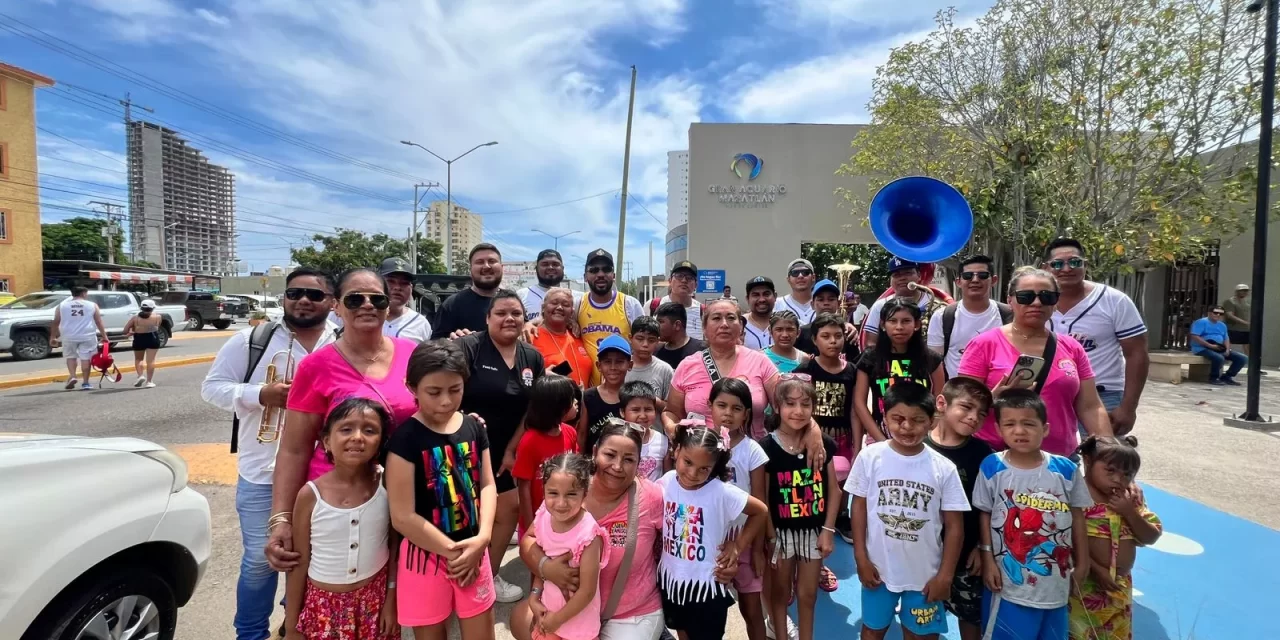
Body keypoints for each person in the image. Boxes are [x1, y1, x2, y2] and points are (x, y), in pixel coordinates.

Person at [202, 267, 337, 640]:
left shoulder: (339, 343)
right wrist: (260, 394)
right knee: (262, 561)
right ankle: (250, 634)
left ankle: (293, 622)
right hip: (264, 471)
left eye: (314, 294)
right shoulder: (252, 340)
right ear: (284, 298)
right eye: (295, 293)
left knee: (311, 558)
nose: (303, 300)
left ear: (331, 302)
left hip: (325, 473)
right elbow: (212, 388)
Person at [267, 268, 419, 570]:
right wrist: (282, 518)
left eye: (377, 299)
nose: (367, 305)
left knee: (397, 591)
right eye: (354, 299)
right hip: (339, 502)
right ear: (336, 306)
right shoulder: (315, 366)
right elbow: (294, 449)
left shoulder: (413, 354)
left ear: (388, 307)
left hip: (405, 496)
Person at [512, 420, 667, 640]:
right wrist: (546, 568)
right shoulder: (569, 491)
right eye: (610, 455)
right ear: (595, 452)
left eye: (629, 459)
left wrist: (731, 547)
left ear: (639, 463)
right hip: (569, 610)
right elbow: (530, 540)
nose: (617, 466)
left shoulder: (652, 497)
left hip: (629, 615)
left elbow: (686, 524)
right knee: (521, 619)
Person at [385, 340, 498, 639]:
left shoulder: (474, 428)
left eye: (455, 390)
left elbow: (487, 484)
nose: (446, 401)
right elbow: (402, 516)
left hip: (474, 548)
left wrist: (483, 538)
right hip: (425, 557)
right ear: (412, 387)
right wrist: (455, 553)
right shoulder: (404, 441)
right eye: (433, 393)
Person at [848, 382, 969, 640]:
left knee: (921, 635)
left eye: (916, 420)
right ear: (885, 417)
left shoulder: (943, 468)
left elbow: (955, 526)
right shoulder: (870, 457)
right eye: (898, 419)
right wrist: (861, 557)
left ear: (932, 422)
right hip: (878, 570)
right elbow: (858, 507)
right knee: (872, 628)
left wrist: (945, 576)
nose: (906, 427)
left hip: (925, 576)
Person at [973, 389, 1092, 640]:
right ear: (998, 429)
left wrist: (1083, 563)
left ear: (1045, 428)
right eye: (1010, 424)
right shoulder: (992, 466)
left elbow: (1077, 517)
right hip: (1007, 586)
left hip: (1056, 586)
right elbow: (984, 513)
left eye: (1028, 424)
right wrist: (988, 559)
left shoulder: (1066, 470)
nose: (1019, 431)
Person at [956, 267, 1113, 457]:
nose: (1037, 303)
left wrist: (1109, 451)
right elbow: (962, 405)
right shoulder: (984, 344)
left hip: (1059, 461)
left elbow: (1090, 406)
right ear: (1010, 300)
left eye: (1047, 296)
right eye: (1026, 296)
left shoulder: (1072, 347)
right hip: (995, 459)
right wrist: (992, 399)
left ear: (1055, 302)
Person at [457, 288, 546, 603]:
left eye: (516, 313)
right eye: (501, 313)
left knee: (508, 509)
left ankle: (488, 575)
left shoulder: (531, 356)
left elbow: (531, 409)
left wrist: (512, 449)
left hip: (507, 450)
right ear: (487, 318)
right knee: (466, 517)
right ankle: (457, 579)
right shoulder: (467, 348)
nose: (509, 318)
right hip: (464, 450)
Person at [283, 398, 397, 640]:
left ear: (379, 444)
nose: (357, 436)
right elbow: (299, 563)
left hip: (374, 605)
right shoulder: (310, 495)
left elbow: (394, 546)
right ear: (326, 441)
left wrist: (391, 600)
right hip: (323, 608)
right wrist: (292, 625)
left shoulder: (387, 484)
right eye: (346, 429)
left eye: (369, 430)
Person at [658, 425, 769, 640]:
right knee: (683, 632)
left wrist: (737, 546)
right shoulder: (667, 481)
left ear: (714, 467)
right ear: (677, 451)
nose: (692, 473)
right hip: (673, 581)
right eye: (688, 462)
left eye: (703, 469)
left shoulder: (721, 492)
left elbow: (761, 511)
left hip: (706, 585)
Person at [1043, 238, 1149, 435]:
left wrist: (1129, 407)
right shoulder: (1036, 301)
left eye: (1074, 262)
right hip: (1050, 397)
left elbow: (1137, 354)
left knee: (1103, 460)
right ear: (1047, 268)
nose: (1066, 268)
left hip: (1103, 396)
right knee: (1053, 462)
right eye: (1057, 264)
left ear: (1085, 264)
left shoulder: (1114, 301)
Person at [764, 377, 841, 640]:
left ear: (814, 407)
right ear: (777, 407)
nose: (798, 411)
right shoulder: (766, 448)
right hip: (782, 536)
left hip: (813, 533)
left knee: (808, 595)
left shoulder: (823, 445)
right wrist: (771, 537)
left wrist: (828, 530)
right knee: (781, 593)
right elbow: (762, 499)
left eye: (805, 404)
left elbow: (834, 490)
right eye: (790, 404)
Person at [1069, 436, 1162, 640]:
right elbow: (1066, 541)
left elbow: (1151, 537)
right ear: (1087, 461)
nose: (1118, 479)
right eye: (1110, 471)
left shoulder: (1130, 501)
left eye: (1127, 474)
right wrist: (1097, 569)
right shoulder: (1076, 499)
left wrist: (1130, 513)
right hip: (1084, 588)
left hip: (1119, 590)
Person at [924, 378, 996, 640]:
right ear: (942, 403)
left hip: (967, 557)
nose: (973, 417)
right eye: (966, 407)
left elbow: (989, 507)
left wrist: (981, 548)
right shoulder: (917, 446)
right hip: (924, 557)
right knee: (927, 619)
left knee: (971, 619)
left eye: (981, 414)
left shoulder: (983, 454)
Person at [706, 378, 770, 640]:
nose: (728, 414)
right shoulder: (702, 445)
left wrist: (756, 550)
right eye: (721, 405)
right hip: (710, 540)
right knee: (710, 612)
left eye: (736, 408)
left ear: (746, 414)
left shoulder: (752, 450)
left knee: (752, 611)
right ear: (710, 406)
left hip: (743, 537)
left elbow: (760, 500)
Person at [664, 298, 781, 440]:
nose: (724, 324)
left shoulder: (760, 361)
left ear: (741, 327)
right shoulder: (687, 366)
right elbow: (672, 413)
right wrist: (673, 429)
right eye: (716, 318)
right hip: (702, 456)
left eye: (731, 318)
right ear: (704, 328)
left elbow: (784, 406)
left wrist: (811, 429)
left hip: (750, 456)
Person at [527, 453, 609, 640]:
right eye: (553, 493)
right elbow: (543, 564)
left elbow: (587, 591)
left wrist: (557, 620)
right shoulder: (543, 518)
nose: (561, 503)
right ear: (544, 490)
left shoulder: (589, 535)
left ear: (585, 493)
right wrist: (534, 597)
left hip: (579, 630)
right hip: (547, 619)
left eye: (571, 494)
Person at [854, 298, 944, 446]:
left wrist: (926, 435)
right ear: (883, 325)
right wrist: (882, 441)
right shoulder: (870, 358)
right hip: (880, 436)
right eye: (893, 321)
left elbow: (939, 403)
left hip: (921, 437)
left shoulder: (931, 360)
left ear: (916, 325)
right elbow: (859, 403)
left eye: (906, 321)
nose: (899, 327)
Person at [514, 375, 581, 537]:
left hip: (565, 514)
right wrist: (531, 526)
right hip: (540, 520)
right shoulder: (530, 441)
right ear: (558, 407)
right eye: (571, 400)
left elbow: (578, 471)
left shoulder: (570, 432)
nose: (576, 403)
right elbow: (523, 486)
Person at [927, 255, 1010, 379]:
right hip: (958, 393)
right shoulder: (942, 317)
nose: (975, 280)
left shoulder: (1009, 315)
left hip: (1001, 393)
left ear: (993, 280)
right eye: (968, 276)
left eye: (982, 275)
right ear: (958, 282)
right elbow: (934, 364)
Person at [577, 249, 646, 383]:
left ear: (613, 275)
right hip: (590, 393)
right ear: (585, 276)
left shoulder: (629, 304)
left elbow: (645, 343)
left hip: (624, 391)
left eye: (606, 269)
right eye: (594, 270)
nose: (600, 274)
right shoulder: (578, 304)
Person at [862, 257, 949, 349]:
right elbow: (871, 343)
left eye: (908, 273)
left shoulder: (935, 304)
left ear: (919, 275)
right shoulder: (879, 306)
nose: (902, 278)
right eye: (896, 275)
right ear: (890, 280)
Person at [432, 243, 504, 339]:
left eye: (492, 261)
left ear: (502, 267)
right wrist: (451, 343)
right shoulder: (452, 305)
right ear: (470, 269)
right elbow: (434, 346)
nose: (486, 266)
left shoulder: (512, 303)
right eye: (479, 262)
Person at [531, 288, 594, 387]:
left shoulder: (577, 334)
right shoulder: (530, 336)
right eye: (554, 303)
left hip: (582, 400)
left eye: (566, 305)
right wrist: (541, 375)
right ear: (543, 307)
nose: (559, 307)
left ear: (572, 312)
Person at [580, 334, 631, 453]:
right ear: (599, 366)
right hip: (593, 463)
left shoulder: (632, 396)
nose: (613, 367)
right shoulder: (588, 397)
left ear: (630, 365)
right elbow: (582, 434)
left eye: (619, 362)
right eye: (607, 362)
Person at [50, 286, 107, 391]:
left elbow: (56, 321)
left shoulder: (62, 305)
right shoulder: (92, 305)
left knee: (71, 356)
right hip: (87, 335)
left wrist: (53, 337)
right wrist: (104, 336)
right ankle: (85, 382)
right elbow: (99, 321)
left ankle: (72, 376)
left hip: (68, 336)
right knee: (86, 359)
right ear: (84, 294)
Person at [794, 279, 859, 361]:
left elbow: (854, 365)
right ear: (812, 304)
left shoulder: (848, 333)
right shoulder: (801, 333)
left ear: (838, 304)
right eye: (821, 299)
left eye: (831, 299)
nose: (826, 303)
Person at [621, 381, 670, 481]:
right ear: (622, 412)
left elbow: (667, 478)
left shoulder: (663, 441)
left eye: (648, 409)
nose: (643, 416)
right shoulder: (617, 440)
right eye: (635, 410)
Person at [519, 249, 584, 324]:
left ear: (563, 269)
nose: (550, 267)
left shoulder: (578, 298)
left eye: (555, 264)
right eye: (545, 264)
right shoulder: (521, 295)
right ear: (536, 269)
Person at [1189, 305, 1247, 386]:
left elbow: (1226, 338)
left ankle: (1227, 377)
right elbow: (1194, 336)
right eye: (1215, 313)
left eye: (1221, 313)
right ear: (1209, 313)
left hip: (1218, 347)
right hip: (1201, 348)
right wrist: (1209, 345)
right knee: (1219, 358)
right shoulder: (1201, 322)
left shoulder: (1222, 325)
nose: (1218, 315)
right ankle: (1213, 378)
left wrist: (1227, 349)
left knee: (1242, 358)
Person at [379, 256, 433, 342]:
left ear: (411, 288)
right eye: (391, 281)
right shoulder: (365, 316)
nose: (397, 287)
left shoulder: (420, 323)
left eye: (404, 283)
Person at [649, 260, 703, 340]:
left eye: (689, 278)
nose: (684, 280)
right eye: (679, 276)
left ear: (696, 285)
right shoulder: (653, 305)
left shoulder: (703, 311)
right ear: (670, 281)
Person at [625, 316, 674, 400]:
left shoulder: (665, 370)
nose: (645, 344)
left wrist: (650, 399)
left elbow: (671, 408)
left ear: (658, 342)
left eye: (651, 340)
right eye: (640, 339)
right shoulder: (620, 366)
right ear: (630, 338)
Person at [654, 301, 707, 370]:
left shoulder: (702, 351)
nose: (656, 326)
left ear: (677, 325)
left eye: (660, 322)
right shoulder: (655, 351)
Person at [124, 299, 163, 388]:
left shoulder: (135, 318)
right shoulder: (158, 316)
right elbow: (157, 326)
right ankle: (149, 381)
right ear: (152, 308)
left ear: (141, 308)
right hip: (153, 337)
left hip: (139, 338)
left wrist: (132, 330)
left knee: (139, 359)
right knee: (151, 360)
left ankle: (140, 375)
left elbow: (125, 330)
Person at [773, 259, 817, 324]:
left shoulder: (822, 303)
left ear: (813, 277)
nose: (800, 276)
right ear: (788, 279)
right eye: (795, 273)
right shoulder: (777, 304)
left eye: (805, 272)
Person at [743, 276, 778, 350]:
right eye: (756, 295)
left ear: (775, 296)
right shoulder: (738, 325)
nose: (762, 299)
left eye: (766, 294)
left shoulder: (789, 324)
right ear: (747, 299)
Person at [1222, 283, 1252, 356]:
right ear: (1237, 291)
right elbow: (1230, 315)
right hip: (1232, 328)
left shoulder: (1246, 302)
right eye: (1243, 290)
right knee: (1227, 346)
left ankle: (1250, 364)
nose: (1245, 292)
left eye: (1246, 291)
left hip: (1245, 329)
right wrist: (1245, 322)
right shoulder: (1230, 301)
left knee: (1248, 346)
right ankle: (1221, 363)